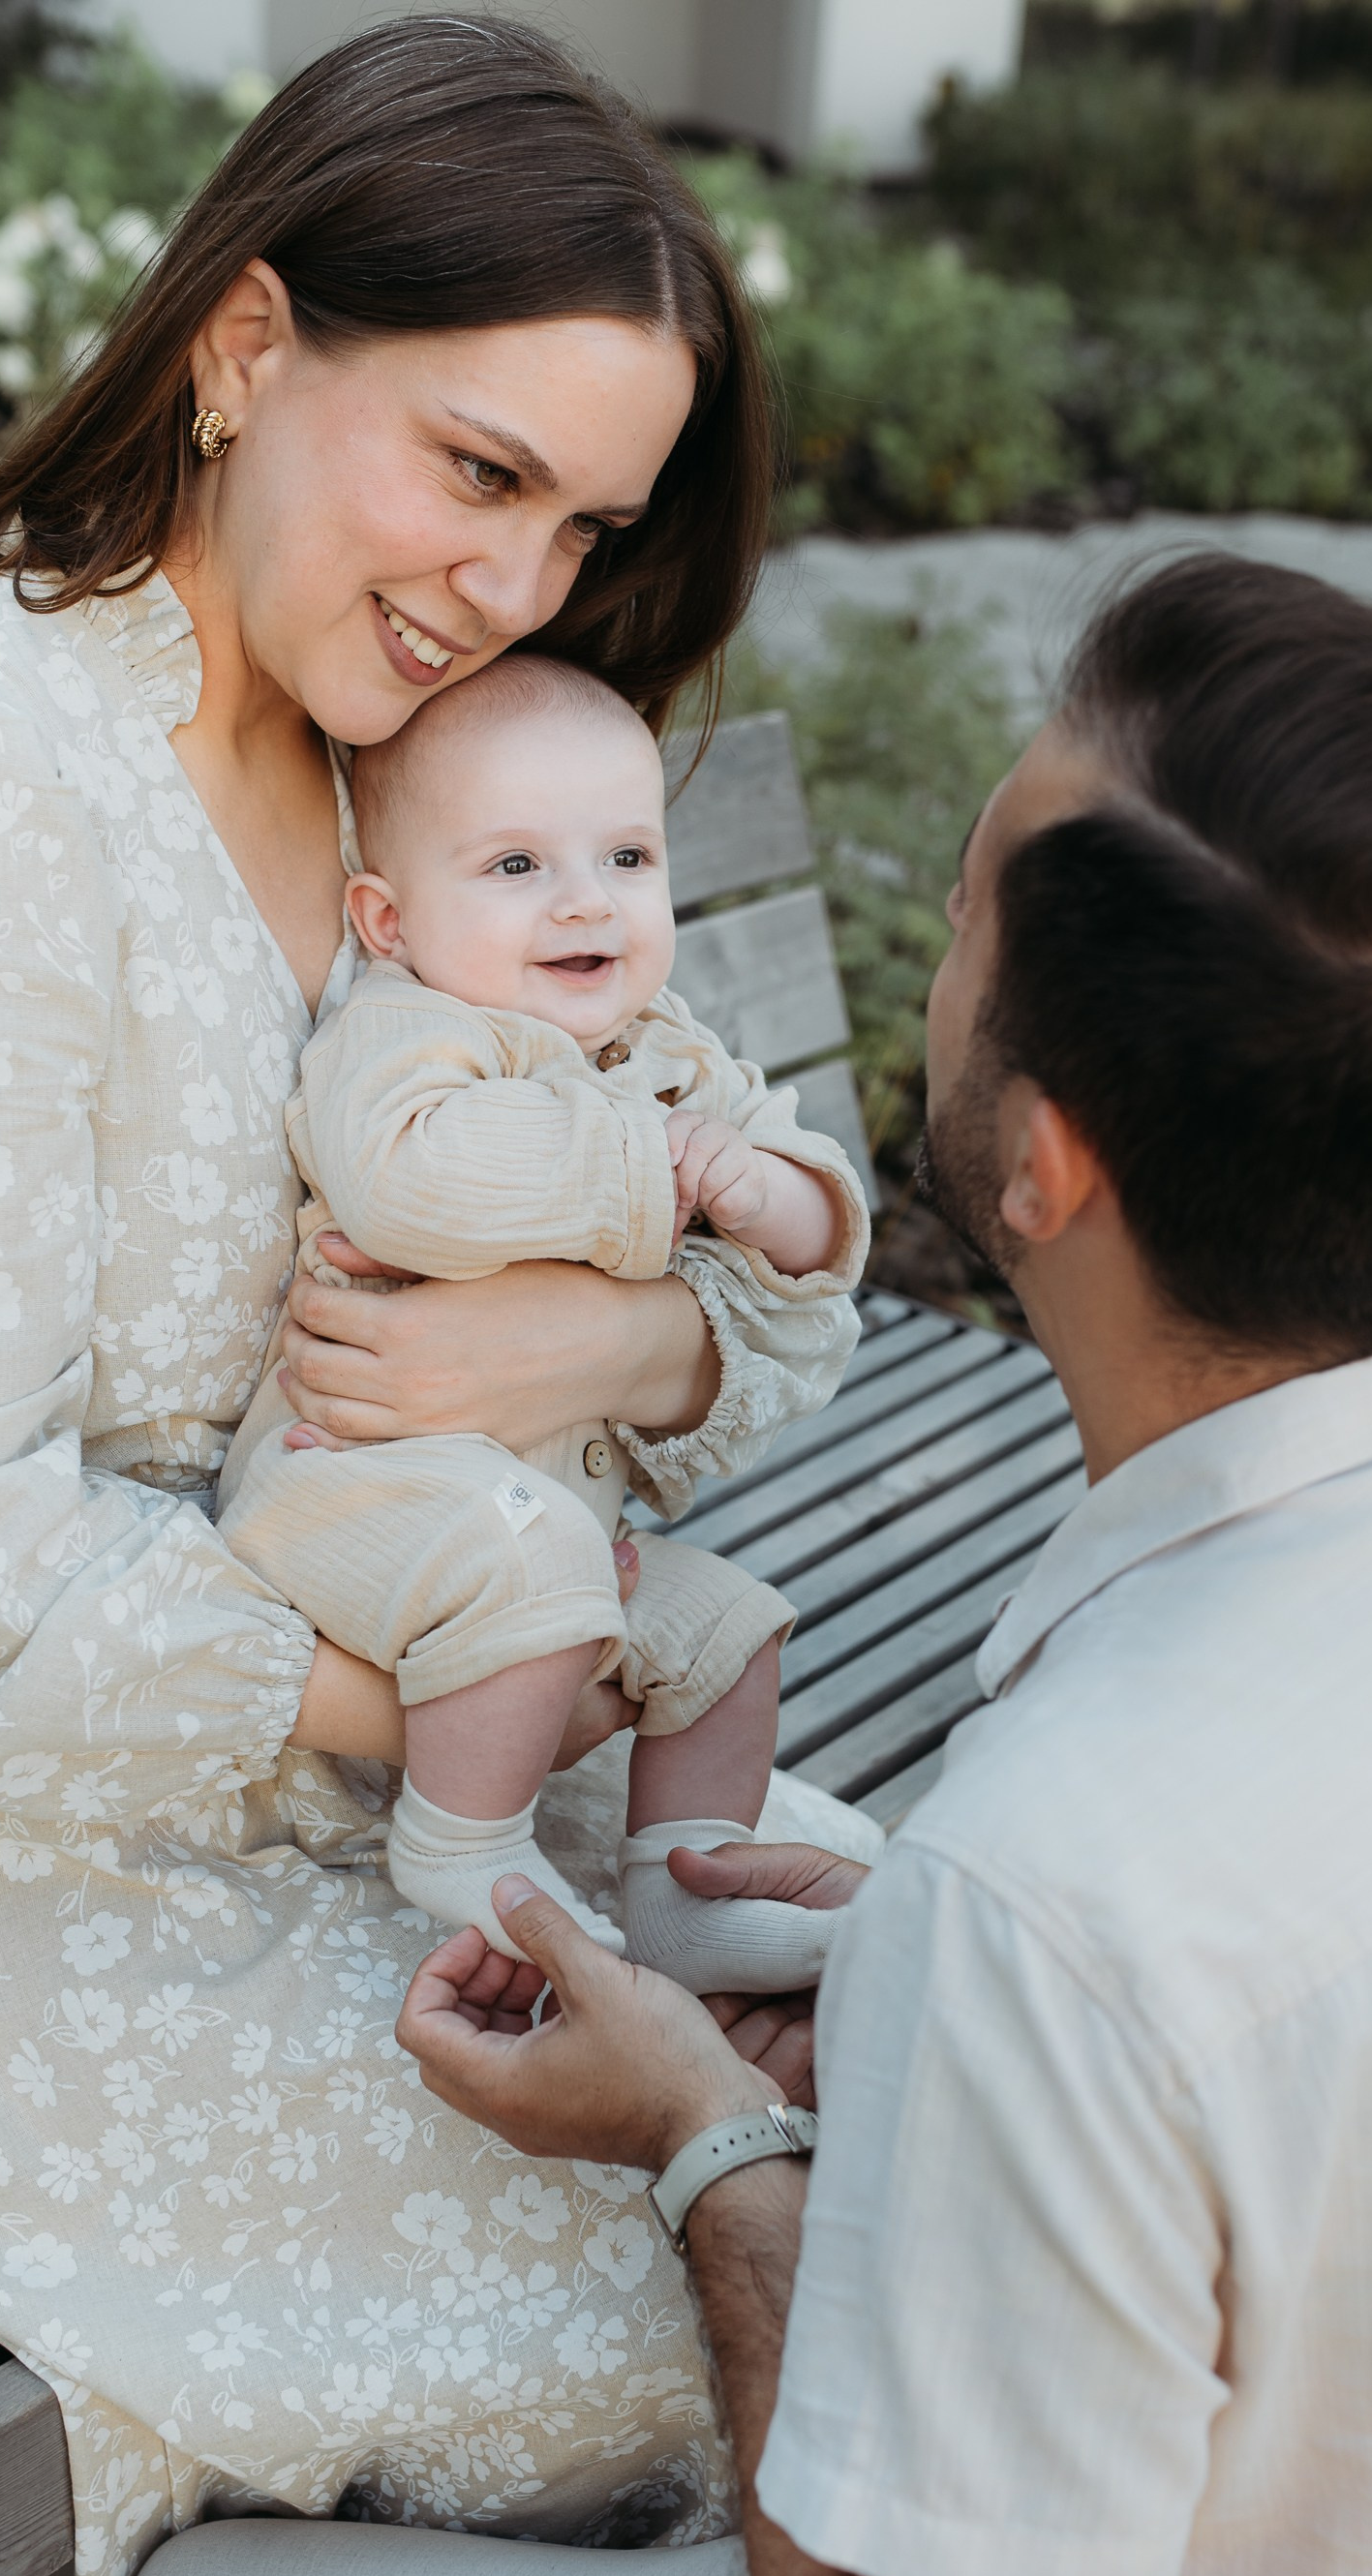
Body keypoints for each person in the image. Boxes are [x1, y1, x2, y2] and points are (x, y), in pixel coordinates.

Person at [94, 555, 1372, 2576]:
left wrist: (700, 2152)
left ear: (1038, 1163)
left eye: (958, 914)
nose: (924, 953)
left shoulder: (1062, 1903)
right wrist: (920, 1991)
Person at [0, 17, 878, 2576]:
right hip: (6, 1860)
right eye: (475, 472)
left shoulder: (455, 756)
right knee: (766, 2286)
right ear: (245, 344)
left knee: (983, 2081)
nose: (517, 587)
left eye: (586, 522)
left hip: (473, 1740)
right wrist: (448, 1713)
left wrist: (603, 1326)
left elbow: (756, 1317)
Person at [217, 652, 867, 1976]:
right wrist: (650, 1173)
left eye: (627, 857)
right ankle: (466, 1840)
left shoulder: (670, 1053)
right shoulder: (411, 1035)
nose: (587, 901)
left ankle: (687, 1897)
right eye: (516, 867)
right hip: (349, 1496)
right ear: (387, 922)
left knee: (729, 1632)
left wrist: (767, 1193)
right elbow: (408, 1183)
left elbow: (818, 1242)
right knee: (534, 1562)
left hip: (540, 1543)